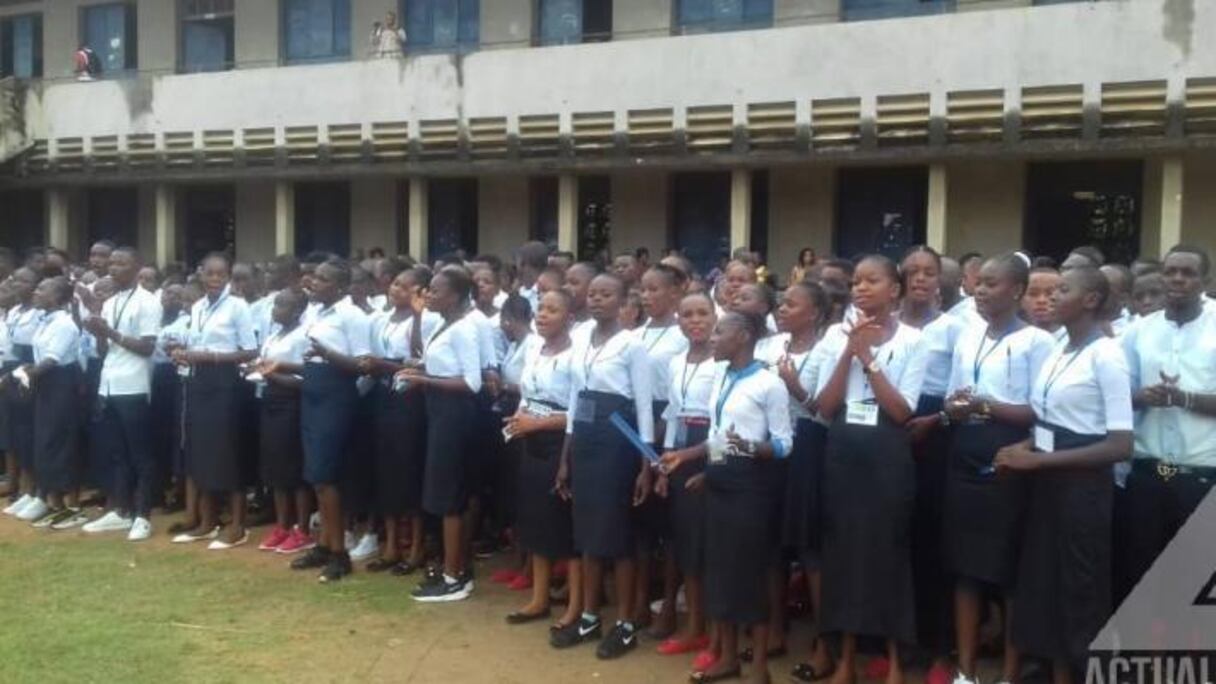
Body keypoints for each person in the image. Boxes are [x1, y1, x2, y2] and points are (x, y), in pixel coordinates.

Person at [1004, 265, 1133, 684]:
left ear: (1091, 300)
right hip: (1047, 488)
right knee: (1047, 588)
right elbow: (1051, 421)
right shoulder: (1060, 347)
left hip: (1082, 492)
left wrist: (1038, 461)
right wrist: (1024, 447)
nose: (1051, 297)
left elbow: (1119, 445)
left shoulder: (1107, 355)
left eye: (1063, 290)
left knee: (1078, 593)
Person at [942, 254, 1055, 684]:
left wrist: (984, 404)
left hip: (1008, 460)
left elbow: (1040, 411)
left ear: (1018, 291)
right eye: (979, 283)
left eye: (992, 283)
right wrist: (955, 408)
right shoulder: (968, 337)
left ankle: (1009, 674)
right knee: (965, 569)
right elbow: (954, 397)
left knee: (1009, 573)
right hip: (964, 454)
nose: (981, 289)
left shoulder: (1037, 343)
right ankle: (965, 671)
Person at [815, 254, 928, 684]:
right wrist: (848, 350)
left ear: (894, 289)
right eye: (856, 282)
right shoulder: (835, 334)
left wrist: (869, 358)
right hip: (844, 449)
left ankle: (896, 661)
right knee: (843, 555)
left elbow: (902, 411)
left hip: (887, 455)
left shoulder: (915, 340)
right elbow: (826, 407)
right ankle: (845, 660)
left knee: (888, 555)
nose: (861, 288)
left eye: (872, 281)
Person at [675, 311, 791, 684]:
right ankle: (726, 658)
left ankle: (759, 665)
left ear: (742, 336)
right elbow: (720, 436)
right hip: (721, 483)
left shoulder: (769, 384)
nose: (712, 337)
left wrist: (754, 448)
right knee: (719, 574)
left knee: (748, 576)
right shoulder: (722, 376)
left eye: (719, 331)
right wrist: (696, 463)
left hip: (751, 488)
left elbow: (785, 443)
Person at [552, 272, 654, 659]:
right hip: (584, 436)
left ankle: (626, 623)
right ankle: (590, 615)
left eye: (606, 293)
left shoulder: (632, 344)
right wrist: (566, 456)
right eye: (592, 293)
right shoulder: (580, 338)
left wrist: (646, 464)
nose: (596, 299)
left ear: (624, 300)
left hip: (617, 438)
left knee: (617, 534)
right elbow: (576, 400)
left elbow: (643, 406)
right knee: (587, 533)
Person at [1117, 246, 1216, 611]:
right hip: (1149, 472)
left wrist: (1184, 398)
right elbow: (1116, 397)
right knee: (1143, 574)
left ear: (1205, 281)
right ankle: (1150, 664)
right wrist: (1143, 396)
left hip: (1202, 474)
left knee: (1199, 579)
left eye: (1188, 273)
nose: (1177, 279)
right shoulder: (1138, 332)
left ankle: (1194, 665)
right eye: (1171, 271)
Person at [895, 246, 965, 684]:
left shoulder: (955, 328)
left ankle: (941, 648)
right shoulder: (886, 325)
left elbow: (962, 393)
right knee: (896, 541)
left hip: (936, 431)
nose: (920, 279)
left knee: (933, 541)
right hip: (891, 426)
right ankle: (901, 645)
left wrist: (935, 421)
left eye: (929, 272)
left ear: (940, 280)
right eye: (913, 271)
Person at [400, 267, 483, 601]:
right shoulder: (443, 324)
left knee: (449, 497)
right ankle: (456, 568)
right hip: (439, 411)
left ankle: (453, 576)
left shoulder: (464, 329)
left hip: (454, 415)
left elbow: (472, 382)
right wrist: (420, 369)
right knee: (445, 494)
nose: (428, 295)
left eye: (435, 290)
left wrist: (425, 381)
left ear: (456, 296)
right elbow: (439, 362)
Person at [290, 259, 372, 583]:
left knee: (326, 475)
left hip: (336, 395)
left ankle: (340, 553)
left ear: (339, 286)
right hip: (312, 391)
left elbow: (364, 365)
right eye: (314, 276)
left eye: (323, 279)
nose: (314, 282)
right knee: (315, 475)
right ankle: (323, 544)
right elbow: (310, 355)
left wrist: (328, 355)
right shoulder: (314, 312)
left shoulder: (351, 315)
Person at [170, 253, 259, 550]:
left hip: (226, 385)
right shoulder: (196, 308)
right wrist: (182, 351)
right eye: (210, 273)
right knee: (200, 452)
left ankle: (237, 525)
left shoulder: (238, 307)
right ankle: (207, 523)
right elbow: (196, 344)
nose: (215, 279)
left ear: (229, 277)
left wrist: (211, 356)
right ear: (201, 274)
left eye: (221, 274)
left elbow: (250, 351)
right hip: (198, 383)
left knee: (227, 453)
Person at [504, 289, 580, 625]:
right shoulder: (535, 347)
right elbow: (527, 393)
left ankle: (575, 605)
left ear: (570, 318)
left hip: (559, 443)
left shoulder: (577, 356)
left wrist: (538, 423)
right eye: (540, 309)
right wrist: (519, 420)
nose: (543, 315)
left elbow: (576, 414)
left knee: (563, 526)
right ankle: (539, 598)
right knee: (535, 520)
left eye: (552, 310)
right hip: (530, 439)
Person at [772, 281, 834, 683]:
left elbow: (827, 409)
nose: (782, 307)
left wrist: (797, 388)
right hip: (769, 451)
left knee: (811, 551)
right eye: (781, 301)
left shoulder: (827, 350)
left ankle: (824, 644)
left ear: (813, 313)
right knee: (771, 547)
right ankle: (773, 630)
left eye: (791, 304)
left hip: (809, 449)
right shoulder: (770, 346)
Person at [358, 267, 437, 574]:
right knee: (385, 472)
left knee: (409, 472)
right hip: (383, 398)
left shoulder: (427, 320)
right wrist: (373, 365)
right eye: (394, 283)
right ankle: (390, 544)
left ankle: (416, 547)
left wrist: (418, 316)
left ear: (419, 292)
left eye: (405, 286)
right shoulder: (380, 318)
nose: (395, 289)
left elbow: (420, 357)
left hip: (410, 402)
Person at [653, 291, 719, 659]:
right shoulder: (676, 362)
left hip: (713, 450)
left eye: (702, 313)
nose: (695, 320)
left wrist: (707, 464)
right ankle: (695, 626)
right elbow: (674, 415)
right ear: (678, 320)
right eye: (687, 314)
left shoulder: (725, 362)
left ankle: (712, 629)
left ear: (714, 317)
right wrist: (664, 463)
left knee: (710, 547)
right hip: (681, 453)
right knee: (685, 544)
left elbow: (729, 425)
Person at [80, 247, 163, 540]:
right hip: (109, 382)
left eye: (121, 263)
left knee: (140, 454)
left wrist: (111, 333)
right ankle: (119, 511)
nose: (113, 268)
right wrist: (98, 332)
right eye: (112, 263)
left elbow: (147, 347)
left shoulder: (148, 302)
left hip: (135, 385)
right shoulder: (111, 301)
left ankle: (142, 516)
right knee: (117, 452)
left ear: (137, 266)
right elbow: (105, 350)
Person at [633, 264, 690, 637]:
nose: (647, 296)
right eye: (643, 289)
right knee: (639, 521)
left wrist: (662, 443)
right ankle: (638, 602)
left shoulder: (683, 336)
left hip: (669, 425)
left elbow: (678, 395)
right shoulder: (634, 334)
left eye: (656, 289)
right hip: (636, 426)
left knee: (669, 527)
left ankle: (669, 604)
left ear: (675, 293)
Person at [250, 289, 315, 555]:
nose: (275, 309)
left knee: (293, 469)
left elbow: (305, 380)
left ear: (298, 311)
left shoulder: (303, 337)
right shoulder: (275, 334)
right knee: (275, 468)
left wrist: (271, 375)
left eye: (282, 305)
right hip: (270, 401)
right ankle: (282, 525)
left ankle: (302, 529)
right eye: (275, 304)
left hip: (291, 403)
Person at [22, 277, 82, 526]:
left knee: (60, 441)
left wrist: (26, 374)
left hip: (61, 384)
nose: (36, 291)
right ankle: (52, 500)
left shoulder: (65, 324)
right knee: (46, 442)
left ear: (57, 297)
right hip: (46, 384)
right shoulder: (45, 320)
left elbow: (52, 359)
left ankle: (71, 505)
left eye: (42, 288)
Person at [1, 268, 41, 519]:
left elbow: (35, 351)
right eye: (15, 280)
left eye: (25, 280)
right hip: (11, 371)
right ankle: (24, 491)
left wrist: (12, 375)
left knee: (30, 433)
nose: (17, 284)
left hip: (29, 372)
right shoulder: (14, 312)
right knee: (16, 432)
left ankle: (35, 490)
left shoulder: (39, 314)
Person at [1023, 266, 1061, 333]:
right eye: (1033, 294)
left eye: (1050, 293)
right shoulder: (1010, 338)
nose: (1041, 300)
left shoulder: (1077, 337)